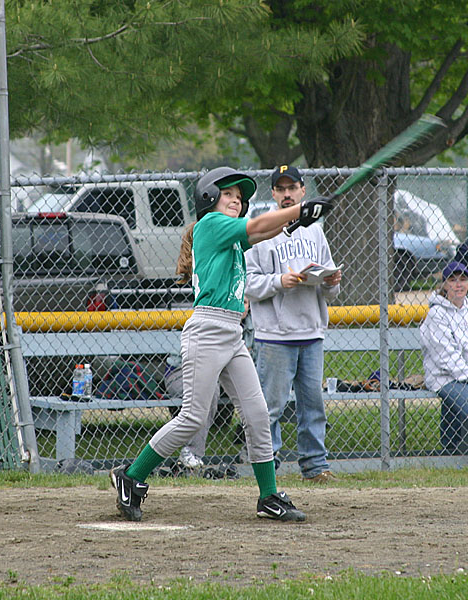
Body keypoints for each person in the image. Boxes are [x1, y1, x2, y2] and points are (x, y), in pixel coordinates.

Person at [109, 166, 332, 522]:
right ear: (210, 197)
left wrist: (299, 219)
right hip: (207, 330)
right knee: (194, 417)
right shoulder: (210, 225)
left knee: (257, 414)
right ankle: (131, 476)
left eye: (240, 197)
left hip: (232, 333)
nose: (235, 200)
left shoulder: (231, 235)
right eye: (228, 194)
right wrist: (300, 211)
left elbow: (265, 231)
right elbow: (259, 226)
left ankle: (269, 496)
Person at [245, 165, 341, 483]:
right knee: (269, 406)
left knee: (312, 404)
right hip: (275, 334)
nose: (287, 194)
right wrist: (279, 281)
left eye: (293, 188)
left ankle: (314, 466)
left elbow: (331, 288)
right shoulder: (260, 233)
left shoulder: (315, 230)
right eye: (281, 189)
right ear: (273, 194)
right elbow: (249, 282)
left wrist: (331, 280)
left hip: (311, 330)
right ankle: (267, 465)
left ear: (303, 191)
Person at [420, 261, 468, 453]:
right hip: (446, 378)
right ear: (444, 285)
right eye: (453, 280)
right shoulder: (437, 314)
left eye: (463, 280)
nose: (459, 284)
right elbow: (448, 358)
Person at [176, 299, 252, 470]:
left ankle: (254, 454)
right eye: (238, 301)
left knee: (256, 402)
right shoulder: (211, 321)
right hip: (181, 370)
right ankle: (191, 453)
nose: (242, 306)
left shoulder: (252, 325)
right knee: (206, 398)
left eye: (246, 302)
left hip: (226, 372)